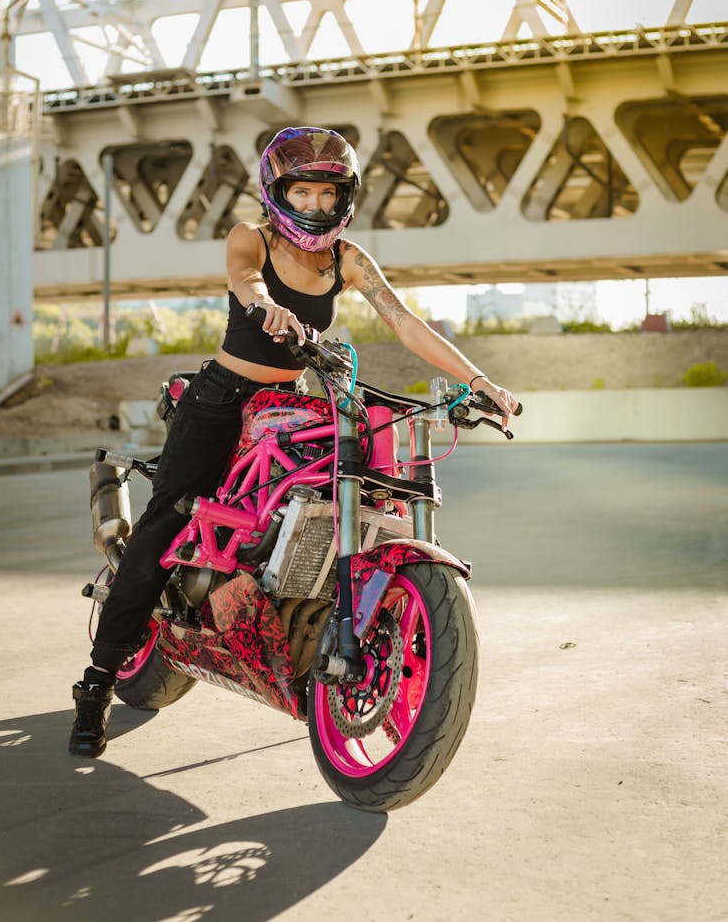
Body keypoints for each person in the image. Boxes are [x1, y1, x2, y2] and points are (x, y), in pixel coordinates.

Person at [69, 126, 519, 757]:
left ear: (344, 196)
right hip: (221, 400)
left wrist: (480, 381)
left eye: (325, 193)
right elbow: (245, 279)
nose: (313, 205)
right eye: (300, 193)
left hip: (290, 401)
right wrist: (267, 308)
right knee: (162, 526)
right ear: (278, 194)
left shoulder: (348, 259)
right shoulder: (251, 237)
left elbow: (405, 323)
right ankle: (94, 686)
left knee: (332, 494)